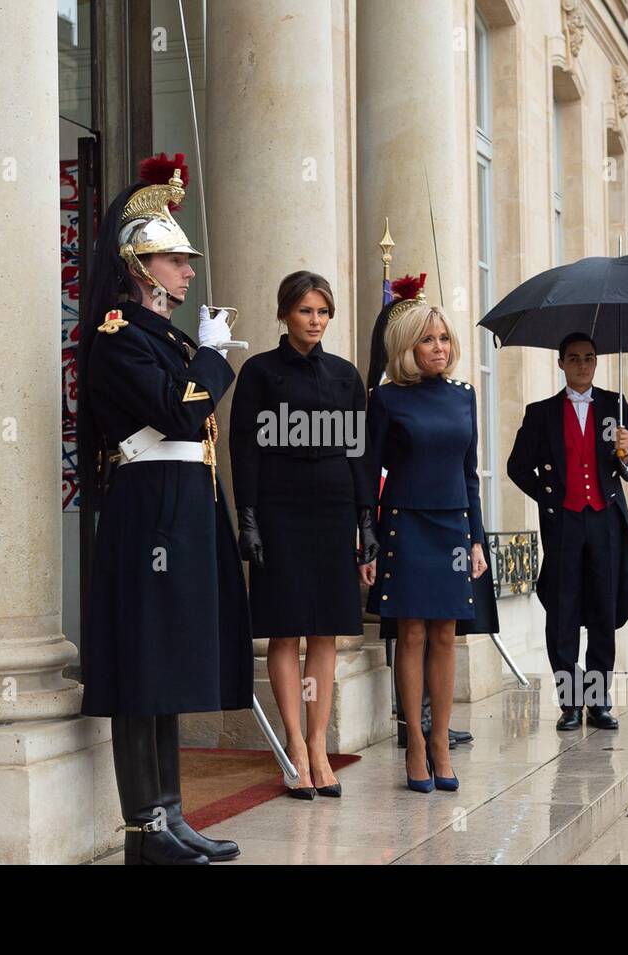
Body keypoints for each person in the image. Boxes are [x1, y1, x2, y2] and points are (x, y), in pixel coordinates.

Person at [77, 152, 253, 864]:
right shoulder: (119, 338)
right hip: (148, 508)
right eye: (175, 260)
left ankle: (172, 814)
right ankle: (144, 830)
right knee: (141, 672)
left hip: (180, 508)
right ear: (141, 265)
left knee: (169, 669)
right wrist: (213, 361)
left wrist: (199, 358)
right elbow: (182, 416)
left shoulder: (165, 339)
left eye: (184, 260)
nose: (187, 271)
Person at [228, 271, 376, 799]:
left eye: (322, 312)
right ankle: (292, 744)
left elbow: (359, 451)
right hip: (280, 510)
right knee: (285, 632)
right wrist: (247, 518)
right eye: (305, 311)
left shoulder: (344, 375)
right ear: (285, 313)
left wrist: (366, 521)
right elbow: (243, 450)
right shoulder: (259, 373)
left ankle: (319, 743)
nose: (315, 321)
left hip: (334, 510)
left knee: (326, 633)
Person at [360, 287, 487, 792]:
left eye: (444, 339)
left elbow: (469, 473)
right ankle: (413, 740)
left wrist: (476, 539)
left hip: (453, 527)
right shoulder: (387, 399)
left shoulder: (464, 396)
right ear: (407, 348)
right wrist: (366, 537)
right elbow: (369, 472)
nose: (439, 348)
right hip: (405, 525)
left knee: (445, 636)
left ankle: (439, 743)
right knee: (410, 635)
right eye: (428, 340)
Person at [506, 332, 628, 732]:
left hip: (604, 520)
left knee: (602, 609)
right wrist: (549, 500)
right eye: (574, 358)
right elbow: (517, 467)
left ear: (596, 362)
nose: (582, 365)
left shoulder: (615, 407)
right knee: (562, 612)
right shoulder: (541, 413)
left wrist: (625, 451)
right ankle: (569, 701)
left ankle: (598, 701)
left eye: (589, 358)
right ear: (561, 363)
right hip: (563, 521)